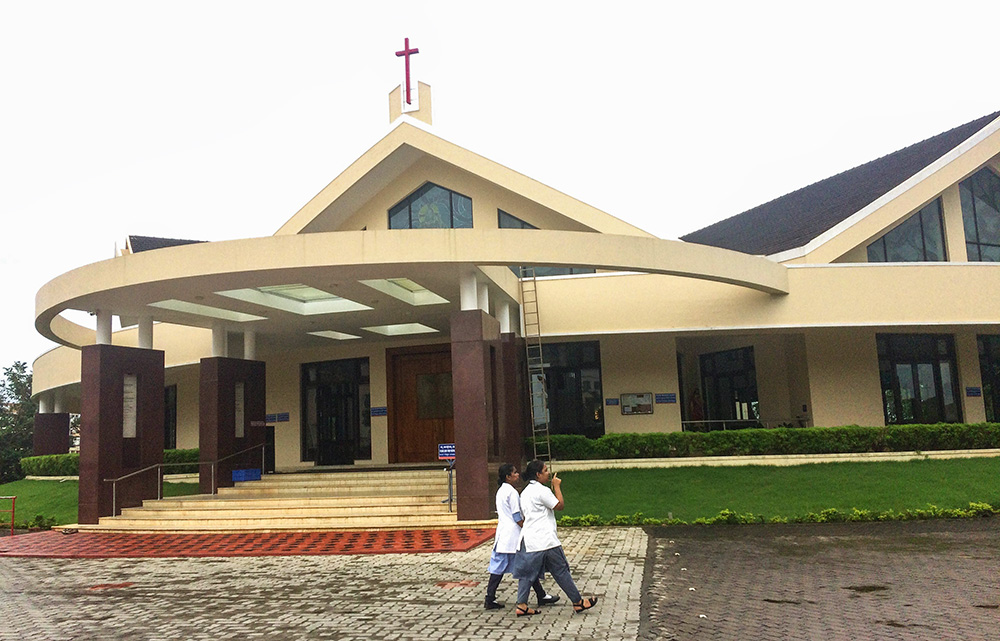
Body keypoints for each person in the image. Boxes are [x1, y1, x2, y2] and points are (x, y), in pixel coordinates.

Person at [512, 460, 598, 617]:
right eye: (545, 471)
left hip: (529, 539)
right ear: (538, 474)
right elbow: (559, 505)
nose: (548, 473)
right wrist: (557, 486)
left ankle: (522, 605)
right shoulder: (542, 490)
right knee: (561, 571)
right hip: (546, 540)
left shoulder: (525, 492)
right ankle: (578, 602)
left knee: (527, 573)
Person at [484, 463, 559, 610]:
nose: (518, 475)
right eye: (515, 473)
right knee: (528, 565)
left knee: (503, 567)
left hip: (504, 534)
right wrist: (527, 528)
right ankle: (540, 595)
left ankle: (490, 597)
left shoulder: (501, 491)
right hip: (512, 535)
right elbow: (517, 516)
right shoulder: (511, 492)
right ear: (508, 477)